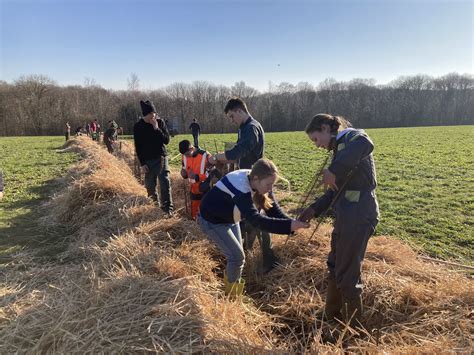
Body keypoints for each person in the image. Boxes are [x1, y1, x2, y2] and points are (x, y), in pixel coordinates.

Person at [299, 113, 379, 326]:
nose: (317, 145)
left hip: (359, 215)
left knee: (348, 273)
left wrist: (333, 170)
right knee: (335, 265)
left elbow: (366, 143)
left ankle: (352, 330)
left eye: (316, 139)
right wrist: (313, 209)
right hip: (346, 216)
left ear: (326, 128)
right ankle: (331, 316)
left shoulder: (352, 137)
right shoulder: (340, 151)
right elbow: (335, 191)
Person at [198, 158, 309, 297]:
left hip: (230, 218)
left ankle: (233, 288)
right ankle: (231, 298)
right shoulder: (240, 187)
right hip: (212, 220)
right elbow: (257, 221)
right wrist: (289, 226)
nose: (270, 188)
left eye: (272, 185)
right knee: (237, 258)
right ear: (256, 178)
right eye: (269, 184)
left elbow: (273, 210)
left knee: (237, 257)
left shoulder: (258, 182)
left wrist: (293, 223)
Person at [209, 97, 278, 274]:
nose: (232, 120)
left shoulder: (251, 128)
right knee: (249, 219)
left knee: (259, 220)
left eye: (232, 116)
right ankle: (247, 253)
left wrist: (217, 157)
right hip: (251, 180)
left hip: (257, 183)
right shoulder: (244, 128)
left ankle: (269, 261)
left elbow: (238, 152)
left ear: (240, 111)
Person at [133, 100, 174, 215]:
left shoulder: (159, 123)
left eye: (154, 113)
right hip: (148, 160)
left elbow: (166, 140)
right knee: (150, 186)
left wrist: (157, 129)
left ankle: (167, 210)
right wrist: (142, 164)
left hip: (161, 157)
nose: (154, 116)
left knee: (165, 183)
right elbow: (138, 146)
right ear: (145, 115)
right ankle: (154, 208)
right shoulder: (138, 126)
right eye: (151, 114)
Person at [178, 139, 211, 219]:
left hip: (205, 188)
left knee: (205, 211)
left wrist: (197, 177)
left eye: (187, 154)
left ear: (191, 148)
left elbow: (210, 174)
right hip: (193, 189)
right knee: (194, 214)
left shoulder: (205, 156)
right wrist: (184, 174)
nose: (186, 156)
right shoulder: (184, 156)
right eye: (184, 155)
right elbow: (185, 169)